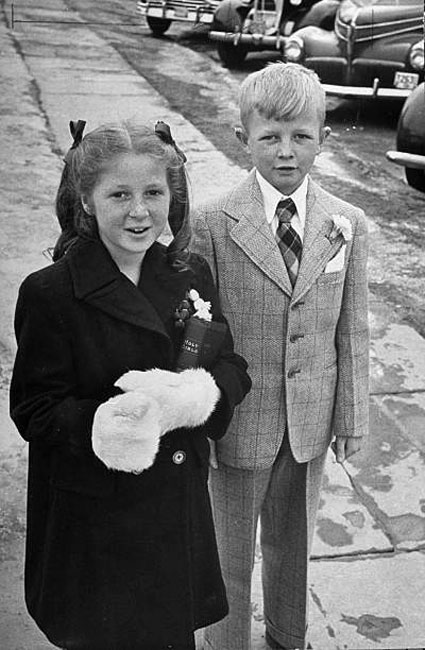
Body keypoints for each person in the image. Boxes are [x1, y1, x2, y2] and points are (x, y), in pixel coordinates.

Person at [9, 119, 252, 650]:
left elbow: (233, 365)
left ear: (172, 195)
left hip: (172, 517)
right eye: (119, 194)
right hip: (94, 524)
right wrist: (105, 422)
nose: (139, 211)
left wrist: (192, 400)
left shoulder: (189, 277)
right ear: (87, 200)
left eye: (153, 193)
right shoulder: (51, 293)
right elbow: (34, 408)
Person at [191, 62, 370, 650]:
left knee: (293, 546)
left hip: (310, 420)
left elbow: (352, 330)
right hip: (239, 422)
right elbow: (200, 331)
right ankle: (227, 642)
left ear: (324, 136)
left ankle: (289, 636)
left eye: (301, 136)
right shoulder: (213, 223)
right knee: (229, 552)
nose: (286, 152)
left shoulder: (348, 223)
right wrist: (198, 420)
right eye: (269, 137)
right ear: (243, 139)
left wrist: (351, 416)